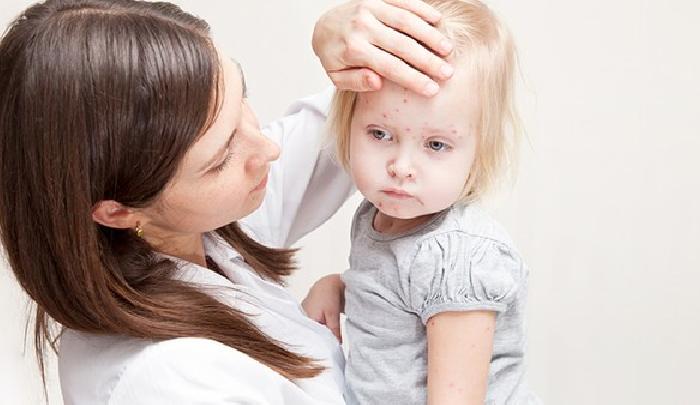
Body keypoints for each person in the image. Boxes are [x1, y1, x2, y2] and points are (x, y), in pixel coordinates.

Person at [0, 0, 455, 403]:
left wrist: (353, 32)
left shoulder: (195, 229)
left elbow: (435, 55)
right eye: (219, 159)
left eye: (243, 103)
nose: (267, 150)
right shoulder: (171, 382)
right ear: (118, 210)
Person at [303, 1, 541, 403]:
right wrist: (337, 288)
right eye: (380, 134)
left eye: (435, 144)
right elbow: (396, 299)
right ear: (348, 124)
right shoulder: (379, 214)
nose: (401, 166)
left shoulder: (458, 257)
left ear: (479, 150)